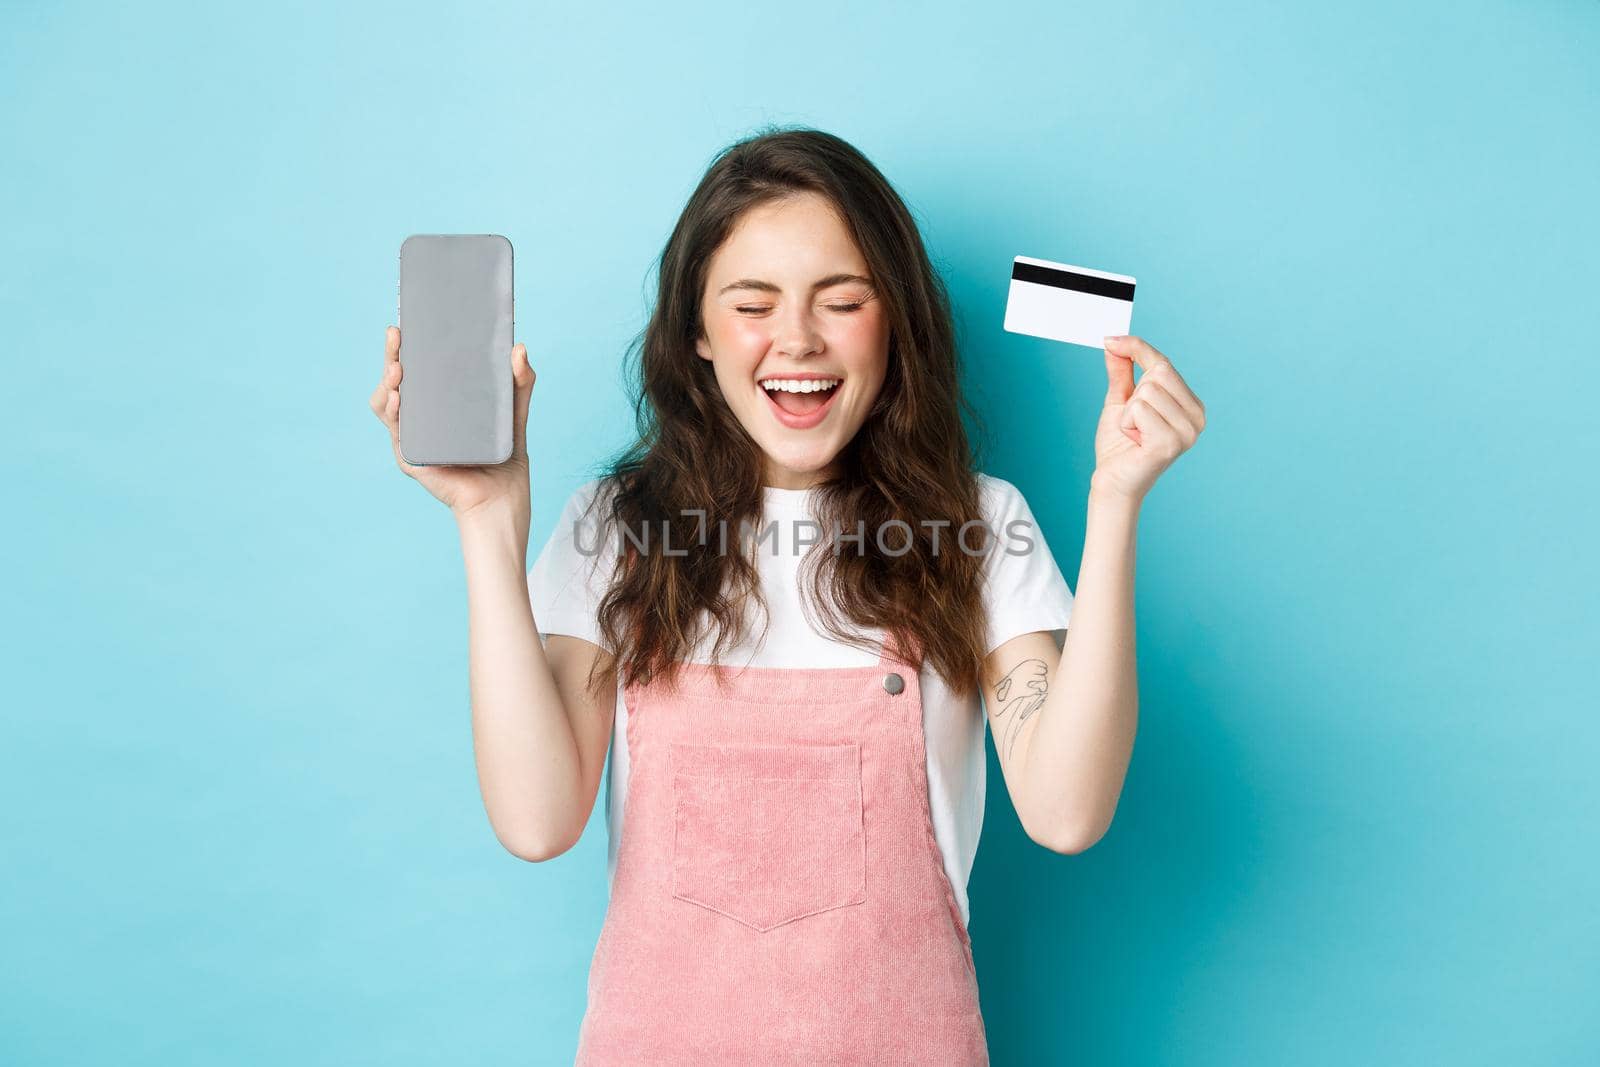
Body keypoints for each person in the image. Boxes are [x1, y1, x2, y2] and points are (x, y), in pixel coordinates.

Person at [367, 126, 1206, 1065]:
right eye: (752, 304)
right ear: (698, 333)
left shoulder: (978, 526)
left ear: (896, 319)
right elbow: (536, 818)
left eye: (843, 300)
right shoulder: (616, 529)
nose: (798, 340)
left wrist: (1117, 502)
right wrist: (486, 519)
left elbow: (1068, 809)